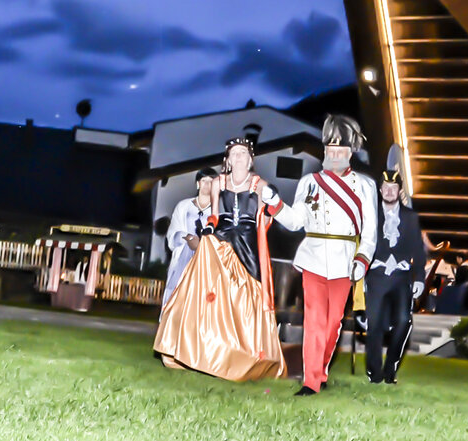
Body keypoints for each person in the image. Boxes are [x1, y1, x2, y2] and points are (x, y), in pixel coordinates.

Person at [153, 135, 285, 382]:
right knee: (215, 292)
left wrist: (270, 207)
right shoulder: (218, 182)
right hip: (223, 239)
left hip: (248, 241)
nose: (238, 157)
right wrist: (210, 227)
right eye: (234, 153)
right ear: (228, 159)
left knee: (249, 293)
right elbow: (214, 214)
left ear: (250, 159)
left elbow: (266, 217)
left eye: (243, 153)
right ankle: (210, 350)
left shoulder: (259, 184)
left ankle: (246, 352)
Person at [264, 114, 376, 395]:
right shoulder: (309, 182)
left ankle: (321, 369)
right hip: (312, 258)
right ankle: (310, 381)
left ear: (350, 151)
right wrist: (275, 203)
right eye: (330, 148)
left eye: (340, 148)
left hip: (345, 262)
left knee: (333, 324)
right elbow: (295, 221)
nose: (335, 153)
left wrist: (362, 259)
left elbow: (370, 231)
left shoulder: (364, 185)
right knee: (314, 321)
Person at [362, 170, 426, 384]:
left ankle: (390, 367)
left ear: (400, 191)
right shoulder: (371, 215)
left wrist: (420, 278)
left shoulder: (410, 217)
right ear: (380, 190)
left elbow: (418, 250)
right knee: (374, 325)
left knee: (404, 321)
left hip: (401, 276)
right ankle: (374, 373)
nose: (389, 192)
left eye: (394, 188)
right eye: (386, 188)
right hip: (376, 275)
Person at [162, 167, 218, 306]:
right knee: (176, 297)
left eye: (211, 182)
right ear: (198, 184)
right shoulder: (183, 206)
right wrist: (188, 237)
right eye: (204, 181)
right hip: (183, 258)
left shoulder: (218, 211)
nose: (207, 185)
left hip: (205, 261)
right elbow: (173, 234)